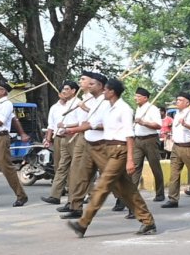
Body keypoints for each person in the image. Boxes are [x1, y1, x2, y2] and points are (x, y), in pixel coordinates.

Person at [67, 79, 156, 238]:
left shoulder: (124, 109)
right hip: (108, 149)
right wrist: (72, 129)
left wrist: (130, 159)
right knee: (126, 189)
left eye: (106, 90)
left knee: (102, 185)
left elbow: (130, 136)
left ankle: (83, 223)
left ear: (112, 92)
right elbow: (91, 124)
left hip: (120, 150)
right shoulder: (107, 109)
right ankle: (148, 221)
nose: (103, 92)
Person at [60, 72, 109, 219]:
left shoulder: (106, 102)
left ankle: (130, 204)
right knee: (81, 175)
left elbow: (105, 124)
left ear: (100, 86)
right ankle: (76, 207)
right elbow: (86, 123)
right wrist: (72, 129)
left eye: (90, 82)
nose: (84, 83)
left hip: (101, 145)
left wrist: (81, 126)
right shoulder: (92, 101)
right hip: (87, 141)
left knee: (113, 179)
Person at [162, 92, 190, 208]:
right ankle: (173, 199)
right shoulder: (177, 114)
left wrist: (186, 124)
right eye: (177, 99)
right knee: (174, 174)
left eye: (180, 100)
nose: (177, 102)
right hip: (177, 147)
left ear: (187, 102)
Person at [41, 81, 80, 205]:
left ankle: (85, 194)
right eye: (62, 90)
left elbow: (82, 123)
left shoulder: (79, 104)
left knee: (78, 167)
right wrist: (48, 139)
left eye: (66, 89)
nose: (63, 92)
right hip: (60, 138)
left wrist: (66, 126)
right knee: (61, 167)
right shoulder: (57, 107)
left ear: (73, 91)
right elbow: (51, 125)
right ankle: (55, 195)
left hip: (74, 137)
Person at [132, 87, 166, 202]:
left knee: (155, 166)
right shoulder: (138, 108)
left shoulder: (152, 109)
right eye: (135, 96)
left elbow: (158, 125)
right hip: (138, 140)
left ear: (145, 98)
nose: (135, 98)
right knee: (135, 167)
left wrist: (144, 122)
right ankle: (131, 194)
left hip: (150, 140)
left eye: (138, 96)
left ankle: (160, 193)